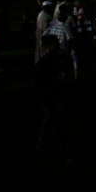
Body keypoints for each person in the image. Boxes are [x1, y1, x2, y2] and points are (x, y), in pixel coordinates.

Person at [33, 35, 73, 163]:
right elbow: (40, 84)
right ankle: (66, 154)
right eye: (54, 43)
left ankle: (39, 152)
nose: (58, 45)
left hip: (55, 98)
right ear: (47, 46)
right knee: (58, 126)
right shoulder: (44, 64)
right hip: (51, 99)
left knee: (50, 125)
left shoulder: (57, 59)